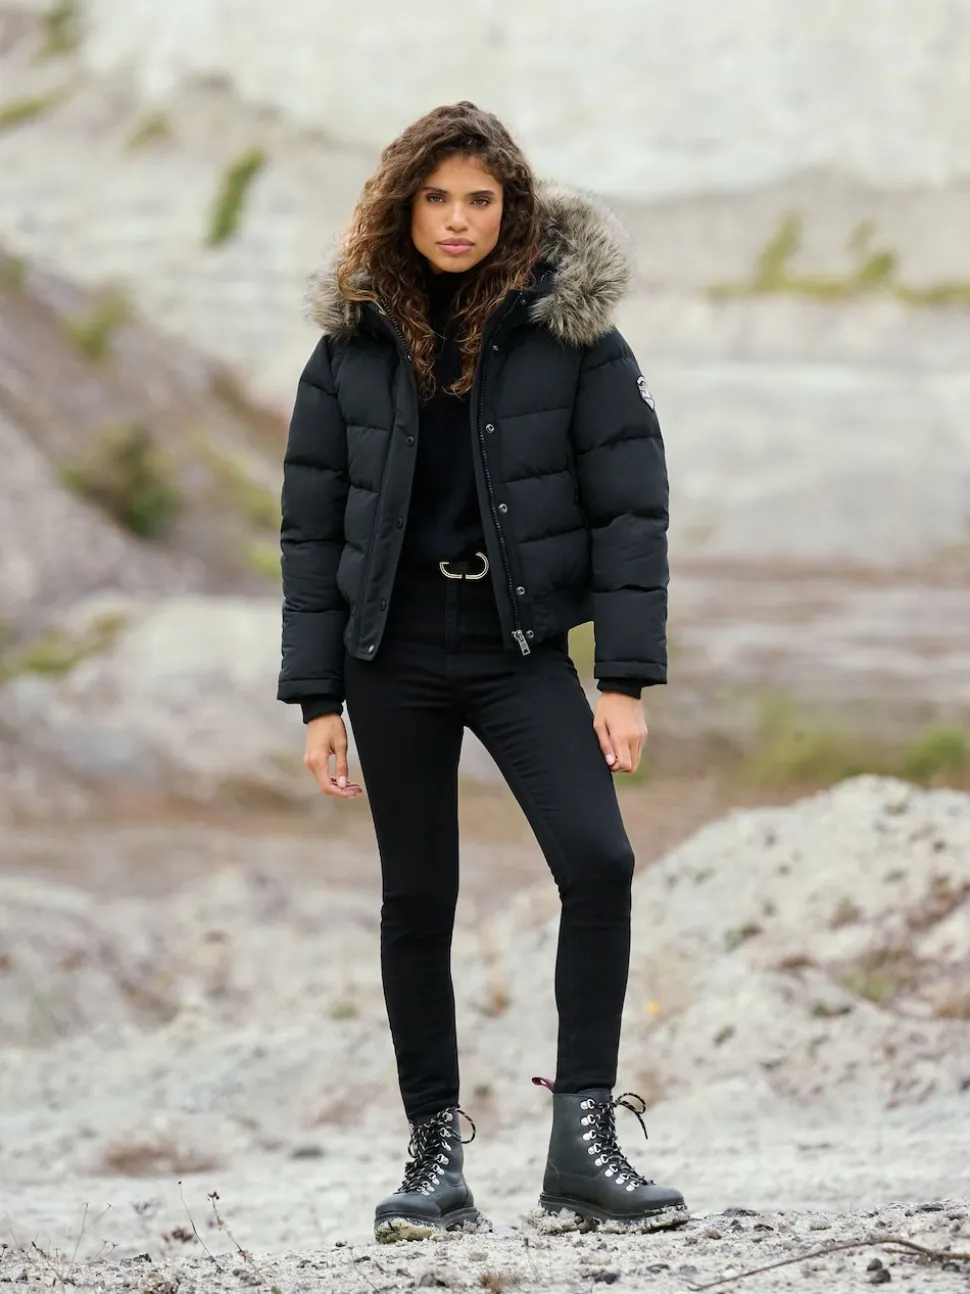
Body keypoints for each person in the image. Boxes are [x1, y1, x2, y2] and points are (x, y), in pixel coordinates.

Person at [277, 101, 686, 1242]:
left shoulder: (575, 339)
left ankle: (583, 1148)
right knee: (419, 899)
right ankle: (434, 1158)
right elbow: (311, 529)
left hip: (518, 650)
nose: (458, 219)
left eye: (481, 199)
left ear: (512, 209)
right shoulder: (350, 348)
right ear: (403, 206)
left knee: (599, 860)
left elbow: (632, 510)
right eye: (437, 198)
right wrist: (316, 698)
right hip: (390, 653)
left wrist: (623, 678)